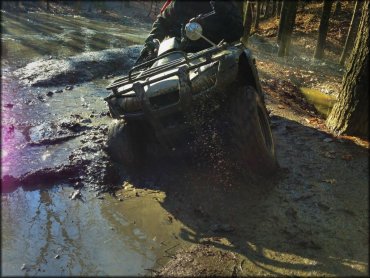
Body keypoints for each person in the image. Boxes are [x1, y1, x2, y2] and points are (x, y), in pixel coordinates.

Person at [140, 0, 243, 60]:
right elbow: (162, 21)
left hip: (214, 54)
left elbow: (238, 32)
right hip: (179, 54)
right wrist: (153, 39)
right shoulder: (180, 3)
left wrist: (206, 26)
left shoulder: (223, 4)